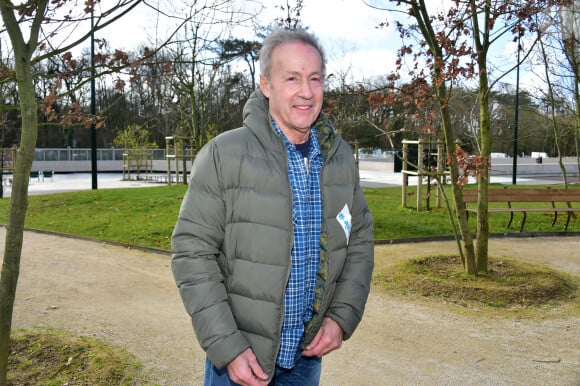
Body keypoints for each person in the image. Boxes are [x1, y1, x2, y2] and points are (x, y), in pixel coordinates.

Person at [171, 28, 374, 386]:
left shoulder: (339, 157)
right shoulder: (224, 155)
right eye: (291, 78)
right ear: (265, 84)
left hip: (305, 358)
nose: (306, 92)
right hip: (240, 360)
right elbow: (192, 252)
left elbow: (358, 239)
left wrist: (342, 316)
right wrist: (228, 346)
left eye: (315, 79)